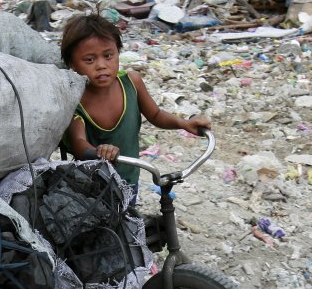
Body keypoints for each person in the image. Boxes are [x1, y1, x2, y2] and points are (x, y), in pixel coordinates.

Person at [62, 14, 211, 201]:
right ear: (72, 64)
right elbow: (78, 143)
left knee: (127, 219)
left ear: (118, 53)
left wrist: (184, 123)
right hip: (92, 186)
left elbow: (155, 114)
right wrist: (99, 151)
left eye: (108, 56)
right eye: (89, 60)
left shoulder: (132, 83)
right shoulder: (75, 100)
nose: (101, 65)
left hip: (129, 180)